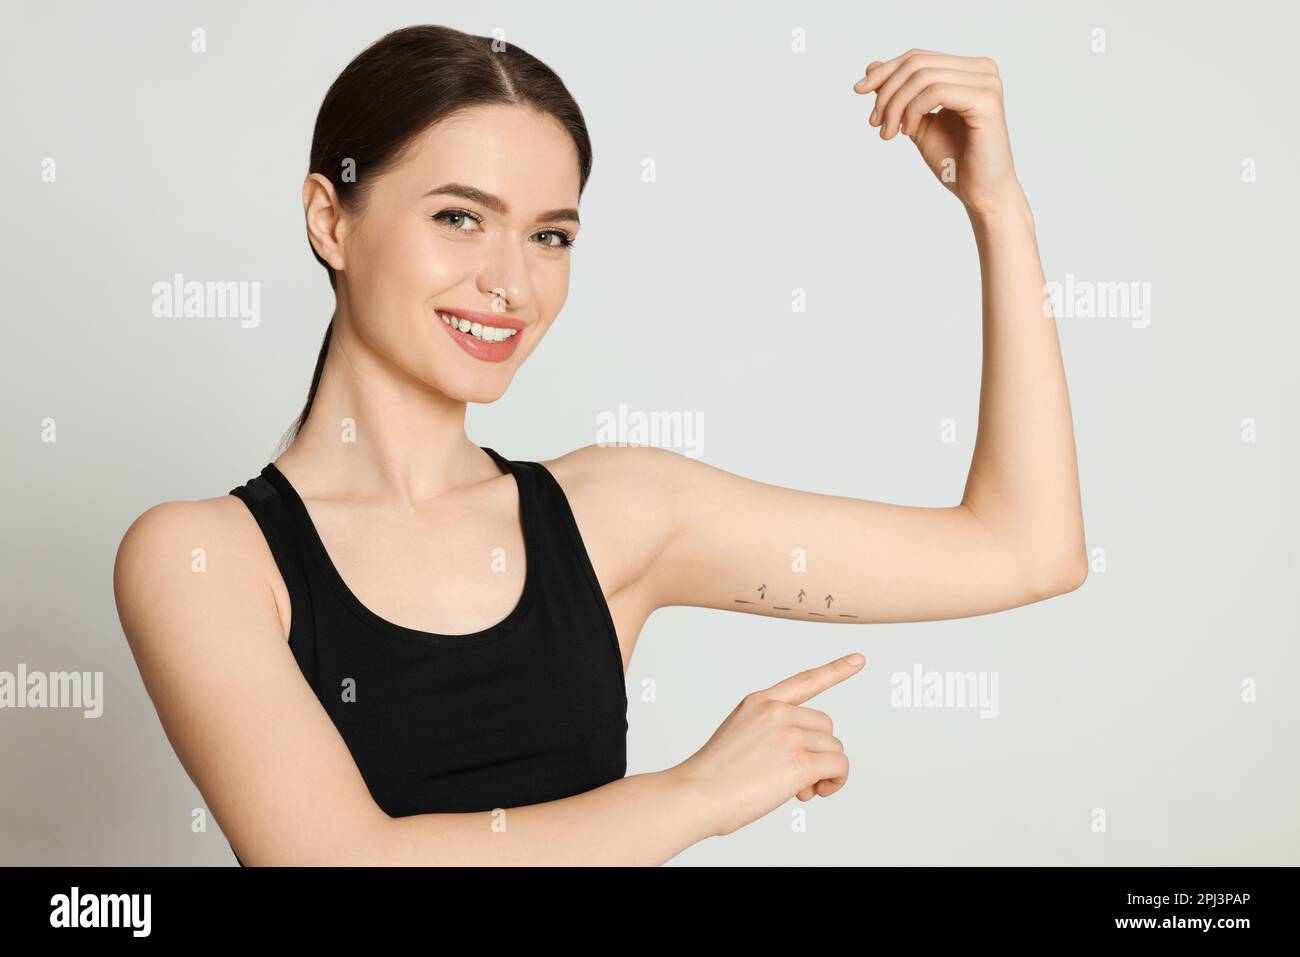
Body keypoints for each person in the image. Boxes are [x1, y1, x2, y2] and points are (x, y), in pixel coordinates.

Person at [113, 27, 1086, 866]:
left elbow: (1027, 552)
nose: (510, 284)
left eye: (550, 237)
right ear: (333, 218)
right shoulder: (203, 558)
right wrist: (696, 796)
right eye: (460, 217)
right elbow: (337, 861)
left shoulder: (618, 517)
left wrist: (996, 208)